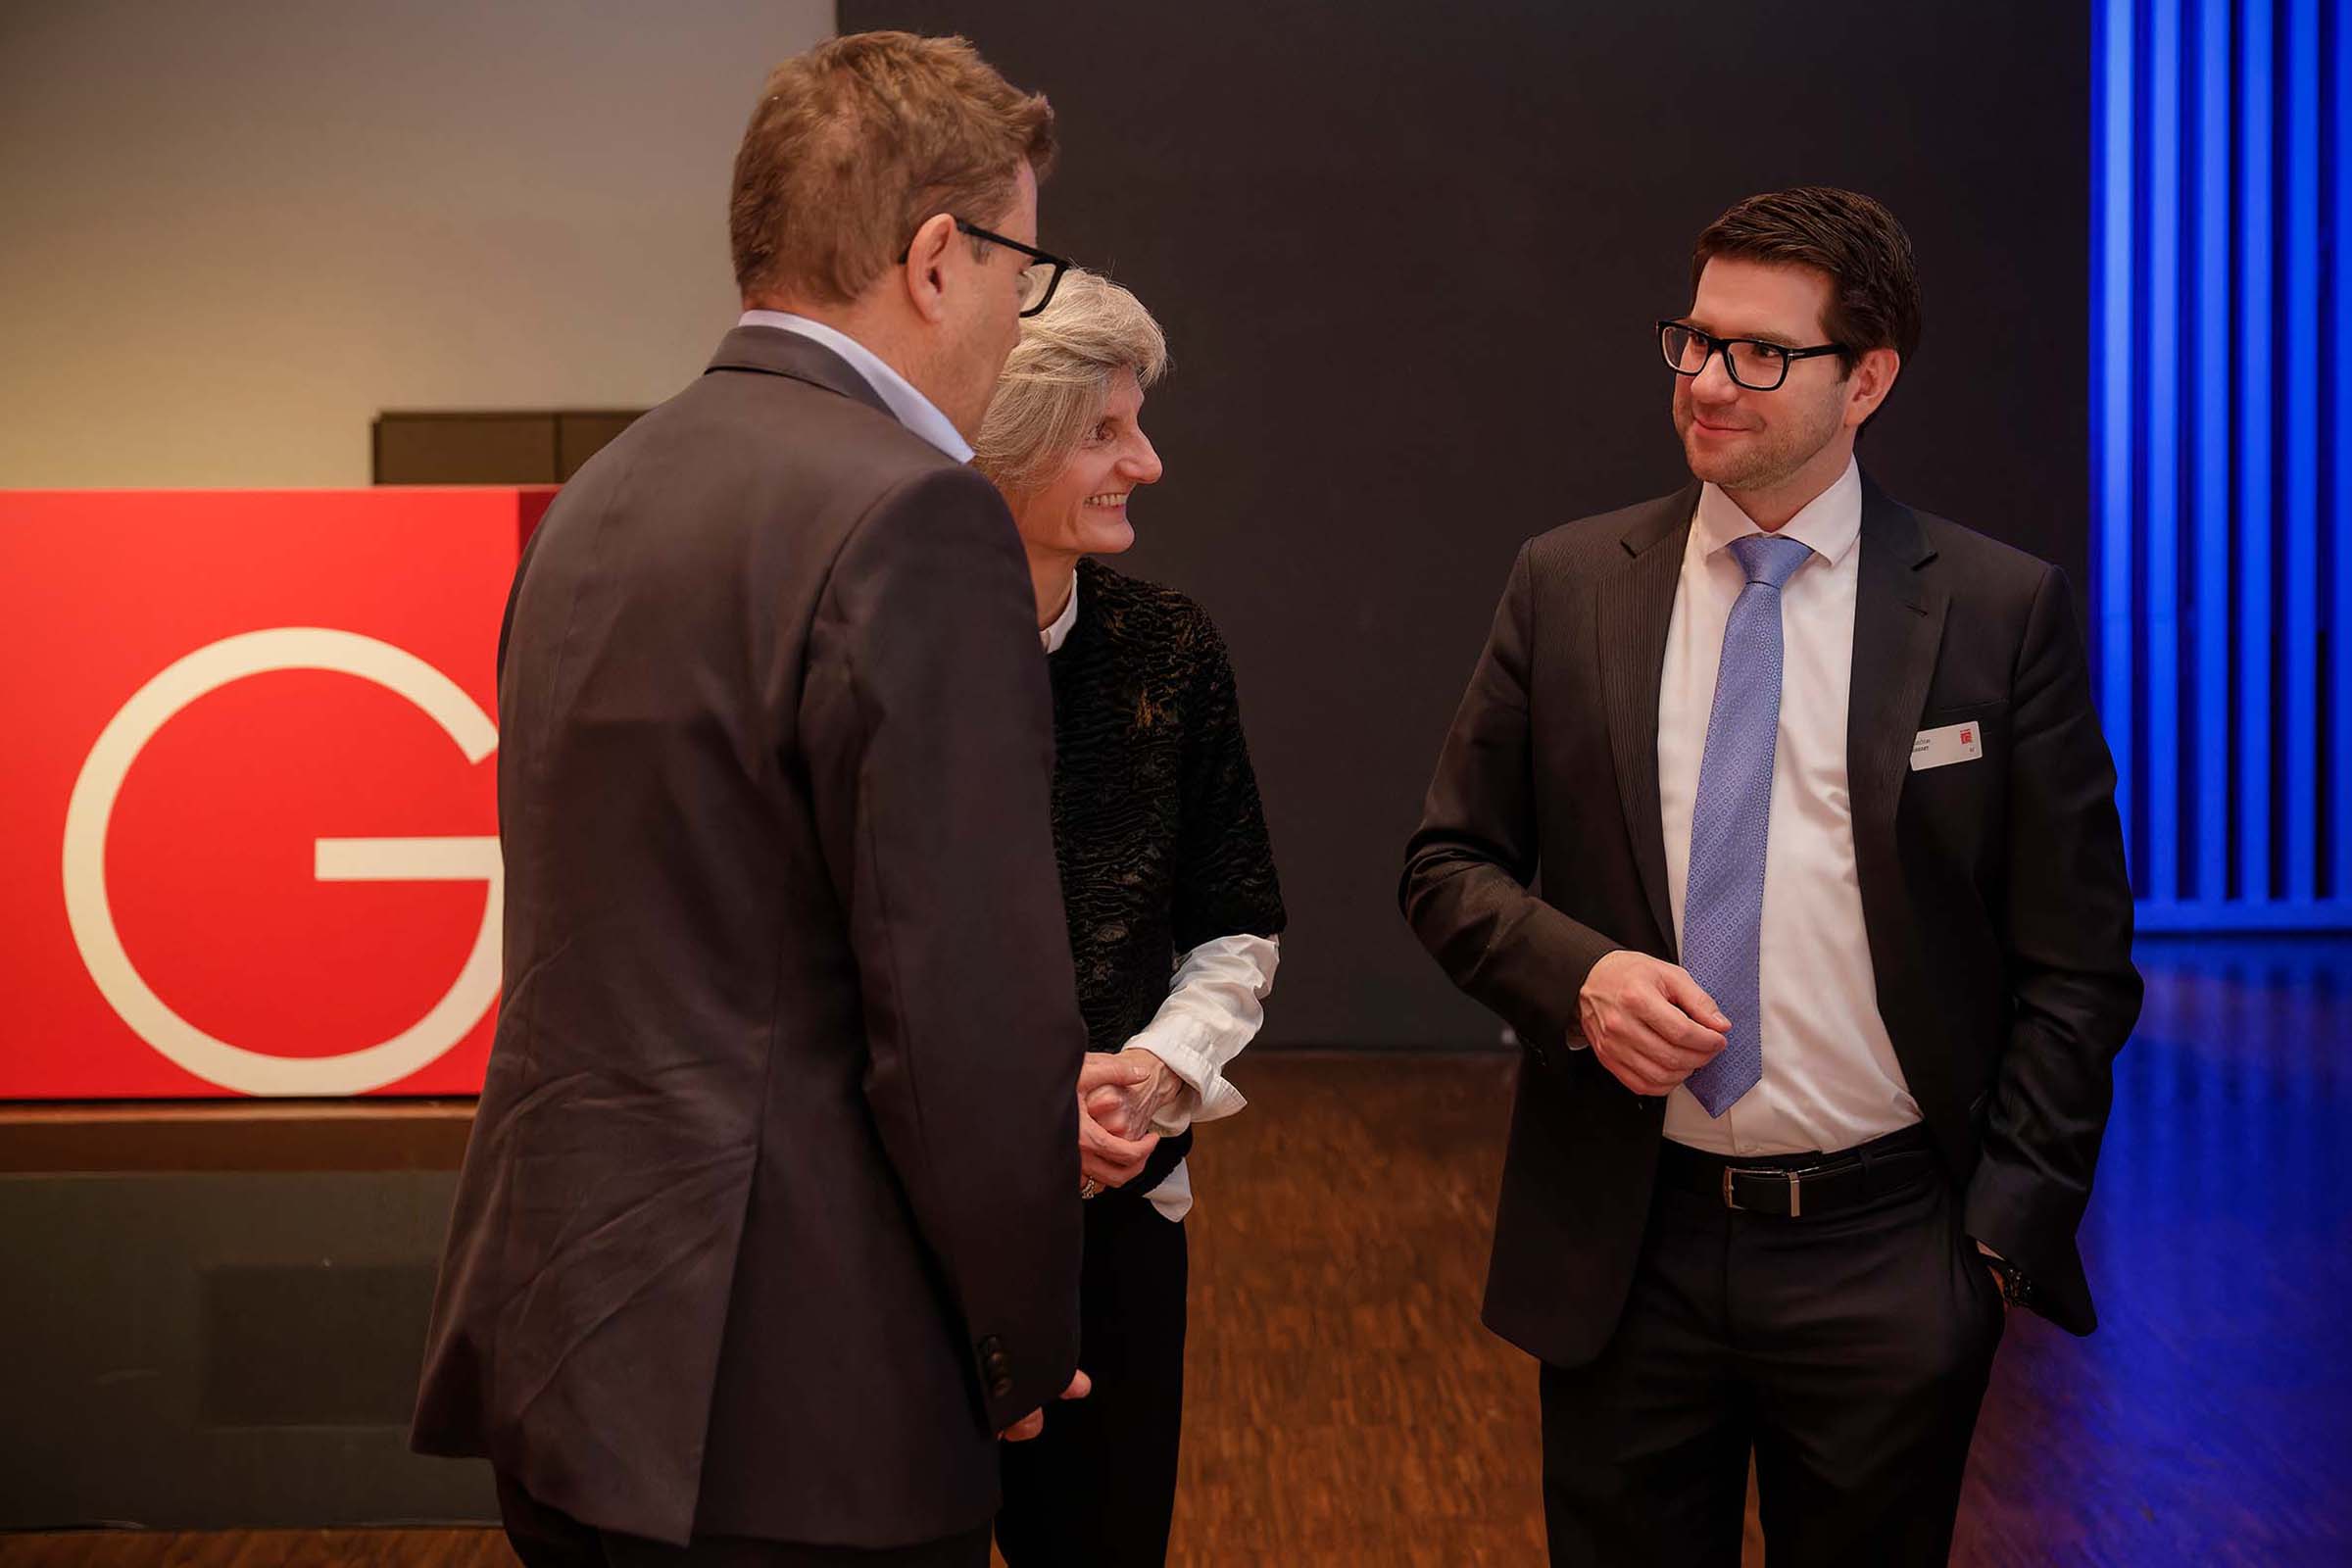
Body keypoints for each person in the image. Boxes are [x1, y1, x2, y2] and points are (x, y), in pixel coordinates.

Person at [413, 32, 1102, 1568]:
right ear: (938, 259)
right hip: (809, 1406)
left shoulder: (600, 497)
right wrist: (1016, 1334)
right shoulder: (917, 517)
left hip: (568, 1362)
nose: (1019, 314)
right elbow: (960, 1012)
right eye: (1023, 270)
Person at [1400, 186, 2141, 1565]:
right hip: (1630, 1245)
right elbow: (1448, 865)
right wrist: (1583, 980)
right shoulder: (1570, 584)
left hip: (1893, 1254)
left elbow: (2077, 960)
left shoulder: (1994, 610)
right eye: (1694, 339)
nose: (1706, 382)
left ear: (1868, 380)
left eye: (1760, 353)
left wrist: (1998, 1236)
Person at [968, 269, 1286, 1567]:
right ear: (1002, 441)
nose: (1145, 464)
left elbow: (1237, 924)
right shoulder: (871, 656)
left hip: (1122, 1207)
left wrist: (1152, 1077)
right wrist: (1021, 1112)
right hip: (903, 1230)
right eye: (1105, 431)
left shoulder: (1170, 647)